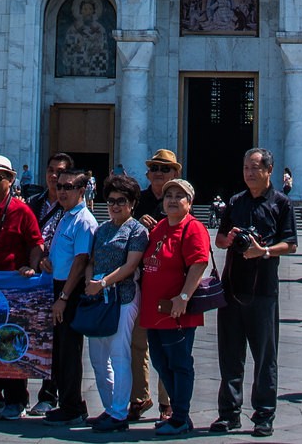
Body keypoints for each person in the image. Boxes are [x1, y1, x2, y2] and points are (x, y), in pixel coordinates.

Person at [212, 147, 297, 438]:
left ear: (269, 170)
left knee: (265, 357)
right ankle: (229, 414)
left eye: (255, 168)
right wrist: (230, 239)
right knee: (229, 355)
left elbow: (291, 244)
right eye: (246, 167)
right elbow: (220, 239)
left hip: (263, 290)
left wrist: (264, 251)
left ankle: (264, 415)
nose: (249, 173)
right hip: (232, 288)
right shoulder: (235, 202)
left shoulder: (282, 203)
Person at [0, 154, 44, 419]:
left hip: (12, 288)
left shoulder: (21, 210)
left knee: (11, 342)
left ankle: (16, 399)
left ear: (11, 180)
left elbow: (36, 242)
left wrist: (31, 266)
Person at [139, 176, 211, 438]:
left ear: (189, 203)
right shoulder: (160, 227)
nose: (171, 200)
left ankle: (180, 415)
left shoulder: (192, 228)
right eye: (168, 195)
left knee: (179, 363)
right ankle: (180, 414)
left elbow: (199, 263)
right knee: (160, 360)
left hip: (175, 310)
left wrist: (183, 297)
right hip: (154, 310)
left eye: (178, 196)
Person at [84, 174, 149, 433]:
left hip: (123, 298)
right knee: (98, 358)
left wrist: (104, 283)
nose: (115, 206)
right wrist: (91, 283)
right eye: (111, 201)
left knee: (119, 354)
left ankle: (120, 412)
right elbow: (90, 261)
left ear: (132, 203)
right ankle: (111, 407)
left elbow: (131, 265)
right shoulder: (101, 229)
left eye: (121, 201)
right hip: (99, 300)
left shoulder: (137, 230)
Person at [46, 169, 101, 424]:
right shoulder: (65, 216)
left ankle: (73, 407)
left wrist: (65, 296)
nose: (62, 192)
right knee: (60, 349)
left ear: (82, 191)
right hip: (59, 287)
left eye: (68, 187)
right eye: (60, 187)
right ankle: (68, 401)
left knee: (69, 350)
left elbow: (80, 262)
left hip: (70, 291)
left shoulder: (84, 220)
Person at [129, 149, 179, 423]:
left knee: (168, 346)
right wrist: (137, 223)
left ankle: (166, 402)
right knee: (139, 344)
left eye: (165, 169)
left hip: (169, 283)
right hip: (140, 280)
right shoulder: (139, 201)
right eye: (155, 169)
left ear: (175, 174)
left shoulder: (178, 202)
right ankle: (139, 397)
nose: (159, 173)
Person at [29, 151, 77, 416]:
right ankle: (15, 394)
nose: (54, 176)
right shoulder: (34, 203)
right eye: (51, 170)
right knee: (26, 333)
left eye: (60, 172)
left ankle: (50, 394)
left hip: (60, 282)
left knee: (58, 340)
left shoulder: (71, 208)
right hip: (34, 280)